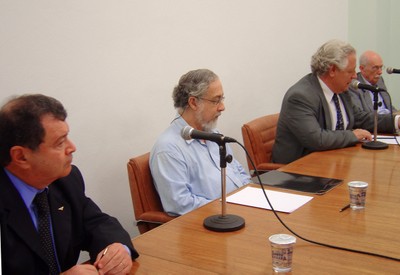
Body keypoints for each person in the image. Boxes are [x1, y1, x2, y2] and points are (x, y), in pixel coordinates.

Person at [0, 94, 139, 274]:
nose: (72, 147)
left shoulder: (65, 180)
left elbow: (98, 223)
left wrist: (118, 248)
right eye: (60, 143)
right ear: (21, 156)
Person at [272, 39, 398, 164]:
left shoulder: (341, 90)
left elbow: (359, 117)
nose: (355, 76)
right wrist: (353, 135)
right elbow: (317, 139)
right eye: (350, 71)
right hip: (299, 171)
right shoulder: (301, 97)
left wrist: (396, 121)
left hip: (335, 162)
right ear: (332, 70)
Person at [150, 69, 251, 216]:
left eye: (222, 99)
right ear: (193, 102)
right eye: (216, 100)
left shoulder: (214, 135)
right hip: (210, 223)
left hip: (242, 210)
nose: (222, 107)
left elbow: (239, 173)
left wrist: (253, 196)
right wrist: (228, 208)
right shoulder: (168, 149)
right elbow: (180, 204)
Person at [348, 50, 397, 114]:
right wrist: (392, 119)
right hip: (375, 122)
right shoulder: (354, 85)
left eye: (381, 67)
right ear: (362, 68)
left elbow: (388, 107)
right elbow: (361, 117)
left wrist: (397, 116)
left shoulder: (379, 80)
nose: (380, 72)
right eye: (375, 68)